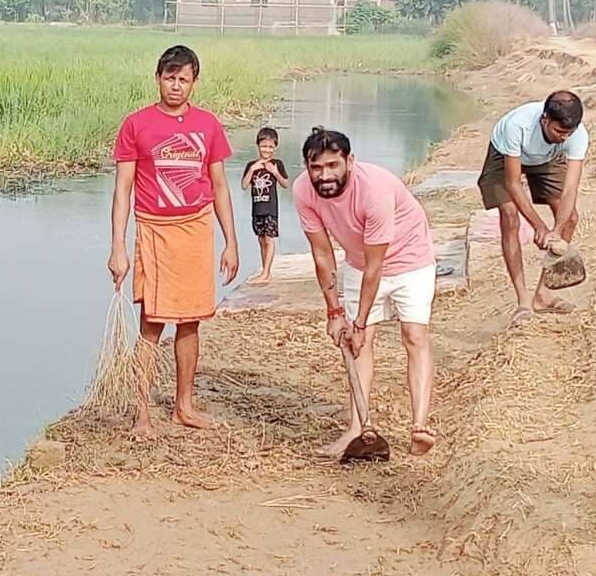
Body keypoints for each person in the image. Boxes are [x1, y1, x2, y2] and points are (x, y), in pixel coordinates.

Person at [109, 45, 238, 432]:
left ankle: (185, 405)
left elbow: (219, 185)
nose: (176, 86)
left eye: (183, 79)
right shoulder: (136, 124)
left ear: (194, 82)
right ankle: (142, 410)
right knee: (152, 322)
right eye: (169, 77)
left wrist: (231, 241)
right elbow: (122, 190)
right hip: (154, 230)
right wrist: (118, 246)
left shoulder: (208, 125)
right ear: (158, 78)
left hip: (196, 229)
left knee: (191, 322)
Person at [292, 126, 438, 457]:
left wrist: (358, 321)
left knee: (414, 335)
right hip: (359, 262)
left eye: (333, 166)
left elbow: (377, 267)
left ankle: (419, 426)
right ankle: (358, 429)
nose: (324, 175)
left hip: (409, 259)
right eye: (316, 168)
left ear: (350, 161)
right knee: (360, 346)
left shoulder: (374, 191)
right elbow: (322, 254)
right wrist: (334, 312)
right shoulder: (303, 191)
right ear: (306, 166)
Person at [479, 90, 588, 320]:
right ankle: (523, 300)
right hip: (506, 155)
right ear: (544, 119)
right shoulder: (517, 126)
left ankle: (543, 295)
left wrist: (557, 230)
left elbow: (570, 190)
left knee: (571, 218)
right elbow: (513, 183)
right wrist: (539, 225)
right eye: (559, 131)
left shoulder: (575, 136)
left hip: (547, 158)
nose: (565, 138)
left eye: (570, 133)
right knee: (510, 216)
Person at [242, 127, 290, 285]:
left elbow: (285, 184)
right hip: (257, 209)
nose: (267, 150)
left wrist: (275, 173)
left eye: (270, 146)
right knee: (261, 239)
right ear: (257, 146)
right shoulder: (251, 165)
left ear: (275, 147)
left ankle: (266, 272)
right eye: (264, 146)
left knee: (269, 240)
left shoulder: (277, 164)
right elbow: (244, 185)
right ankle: (265, 271)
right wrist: (252, 170)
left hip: (270, 208)